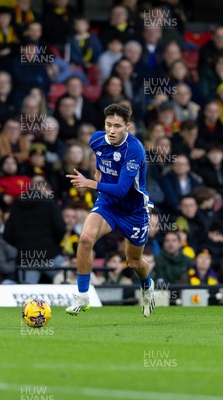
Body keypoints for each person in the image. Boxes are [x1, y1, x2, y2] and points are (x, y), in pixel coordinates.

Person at [65, 103, 155, 317]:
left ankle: (147, 285)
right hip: (108, 204)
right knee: (85, 238)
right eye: (108, 125)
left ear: (128, 126)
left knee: (133, 262)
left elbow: (123, 189)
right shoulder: (96, 139)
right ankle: (83, 296)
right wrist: (97, 179)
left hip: (133, 210)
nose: (112, 130)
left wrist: (91, 184)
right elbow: (100, 165)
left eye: (117, 126)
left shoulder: (134, 149)